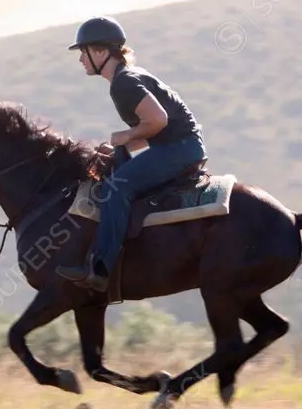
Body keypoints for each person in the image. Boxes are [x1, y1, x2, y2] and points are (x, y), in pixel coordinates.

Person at [55, 15, 208, 292]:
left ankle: (101, 270)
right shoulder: (128, 78)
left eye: (83, 52)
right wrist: (118, 146)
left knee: (117, 190)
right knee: (113, 167)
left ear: (100, 51)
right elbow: (152, 130)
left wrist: (124, 137)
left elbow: (158, 120)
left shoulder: (123, 83)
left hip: (179, 150)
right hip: (177, 146)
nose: (80, 59)